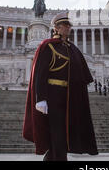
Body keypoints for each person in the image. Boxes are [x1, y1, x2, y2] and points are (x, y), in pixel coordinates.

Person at [23, 12, 98, 161]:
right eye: (65, 25)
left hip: (69, 98)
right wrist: (40, 98)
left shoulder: (72, 49)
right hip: (52, 97)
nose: (68, 27)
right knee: (57, 136)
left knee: (62, 137)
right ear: (56, 28)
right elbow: (39, 73)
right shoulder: (48, 46)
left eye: (69, 25)